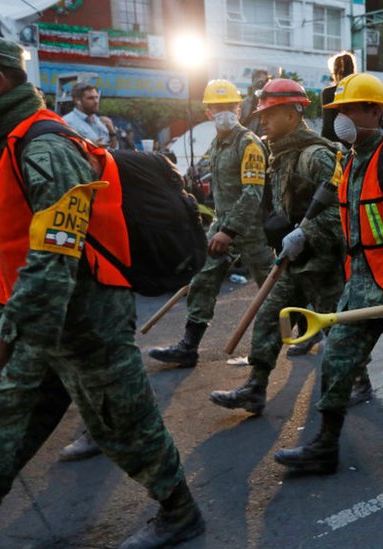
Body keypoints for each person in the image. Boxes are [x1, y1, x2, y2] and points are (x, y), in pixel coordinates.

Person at [0, 33, 203, 548]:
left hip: (88, 321)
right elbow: (6, 231)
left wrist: (3, 338)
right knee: (0, 428)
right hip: (37, 318)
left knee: (123, 424)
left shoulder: (46, 148)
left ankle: (179, 511)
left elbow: (54, 258)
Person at [273, 73, 383, 473]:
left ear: (374, 111)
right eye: (338, 111)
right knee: (336, 358)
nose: (341, 118)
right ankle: (325, 444)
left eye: (349, 109)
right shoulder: (348, 161)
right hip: (361, 280)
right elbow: (344, 220)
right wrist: (304, 233)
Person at [207, 78, 359, 414]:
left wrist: (306, 234)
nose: (262, 121)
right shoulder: (279, 154)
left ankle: (358, 381)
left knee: (337, 329)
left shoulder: (316, 156)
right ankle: (255, 387)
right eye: (261, 115)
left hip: (323, 263)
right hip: (293, 260)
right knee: (270, 317)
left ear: (292, 114)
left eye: (269, 114)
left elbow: (341, 214)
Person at [149, 79, 274, 368]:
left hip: (250, 230)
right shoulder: (217, 143)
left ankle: (299, 333)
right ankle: (189, 346)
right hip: (222, 225)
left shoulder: (248, 143)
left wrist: (229, 231)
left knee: (271, 289)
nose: (224, 112)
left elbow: (252, 194)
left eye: (229, 106)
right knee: (203, 280)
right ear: (208, 112)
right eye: (217, 108)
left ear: (239, 109)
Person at [62, 82, 118, 148]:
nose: (96, 101)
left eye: (96, 97)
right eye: (91, 98)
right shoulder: (67, 123)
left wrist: (112, 132)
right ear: (78, 101)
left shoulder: (100, 121)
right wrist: (91, 146)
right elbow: (65, 149)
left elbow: (114, 148)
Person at [320, 52, 356, 143]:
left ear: (335, 71)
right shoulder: (358, 91)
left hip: (335, 145)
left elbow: (327, 127)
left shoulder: (328, 93)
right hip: (357, 143)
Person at [239, 69, 269, 135]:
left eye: (264, 81)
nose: (260, 84)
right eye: (258, 80)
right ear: (253, 82)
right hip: (246, 139)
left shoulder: (270, 104)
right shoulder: (244, 104)